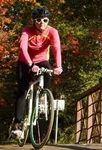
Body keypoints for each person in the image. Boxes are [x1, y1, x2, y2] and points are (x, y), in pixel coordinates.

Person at [11, 8, 63, 138]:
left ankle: (42, 97)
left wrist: (59, 66)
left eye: (45, 20)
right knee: (22, 91)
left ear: (48, 21)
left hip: (42, 60)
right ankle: (17, 124)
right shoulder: (27, 31)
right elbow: (22, 48)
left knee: (48, 71)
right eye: (38, 20)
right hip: (25, 62)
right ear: (34, 21)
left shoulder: (52, 32)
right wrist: (30, 64)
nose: (42, 23)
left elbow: (56, 48)